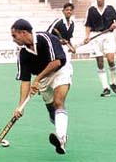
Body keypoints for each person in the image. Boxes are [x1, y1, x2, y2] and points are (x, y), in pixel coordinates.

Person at [11, 19, 72, 154]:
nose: (13, 39)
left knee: (58, 102)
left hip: (60, 71)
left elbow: (56, 62)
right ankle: (61, 133)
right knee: (52, 113)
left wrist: (37, 79)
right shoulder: (23, 54)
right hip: (43, 79)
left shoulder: (45, 38)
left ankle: (61, 138)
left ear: (23, 33)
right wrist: (20, 106)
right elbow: (25, 81)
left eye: (14, 36)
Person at [84, 0, 116, 97]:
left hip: (108, 35)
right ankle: (106, 88)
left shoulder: (110, 8)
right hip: (95, 36)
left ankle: (113, 82)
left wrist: (115, 25)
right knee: (100, 63)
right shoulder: (91, 10)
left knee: (111, 60)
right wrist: (87, 36)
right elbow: (88, 25)